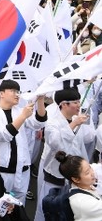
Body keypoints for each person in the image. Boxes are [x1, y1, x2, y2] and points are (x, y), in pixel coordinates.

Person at [0, 80, 47, 203]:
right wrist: (23, 116)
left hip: (22, 170)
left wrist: (40, 99)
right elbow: (3, 135)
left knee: (18, 207)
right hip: (1, 171)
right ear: (1, 94)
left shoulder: (19, 110)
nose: (17, 94)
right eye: (13, 91)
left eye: (18, 91)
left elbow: (38, 123)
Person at [35, 88, 96, 221]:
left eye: (79, 101)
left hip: (73, 176)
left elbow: (84, 142)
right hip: (54, 175)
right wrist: (73, 124)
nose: (79, 105)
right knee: (48, 209)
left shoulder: (76, 119)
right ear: (63, 104)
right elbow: (56, 144)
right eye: (75, 102)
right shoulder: (52, 122)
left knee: (67, 213)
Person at [56, 151, 102, 219]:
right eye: (87, 173)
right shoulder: (83, 202)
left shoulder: (85, 186)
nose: (92, 173)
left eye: (90, 167)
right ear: (76, 179)